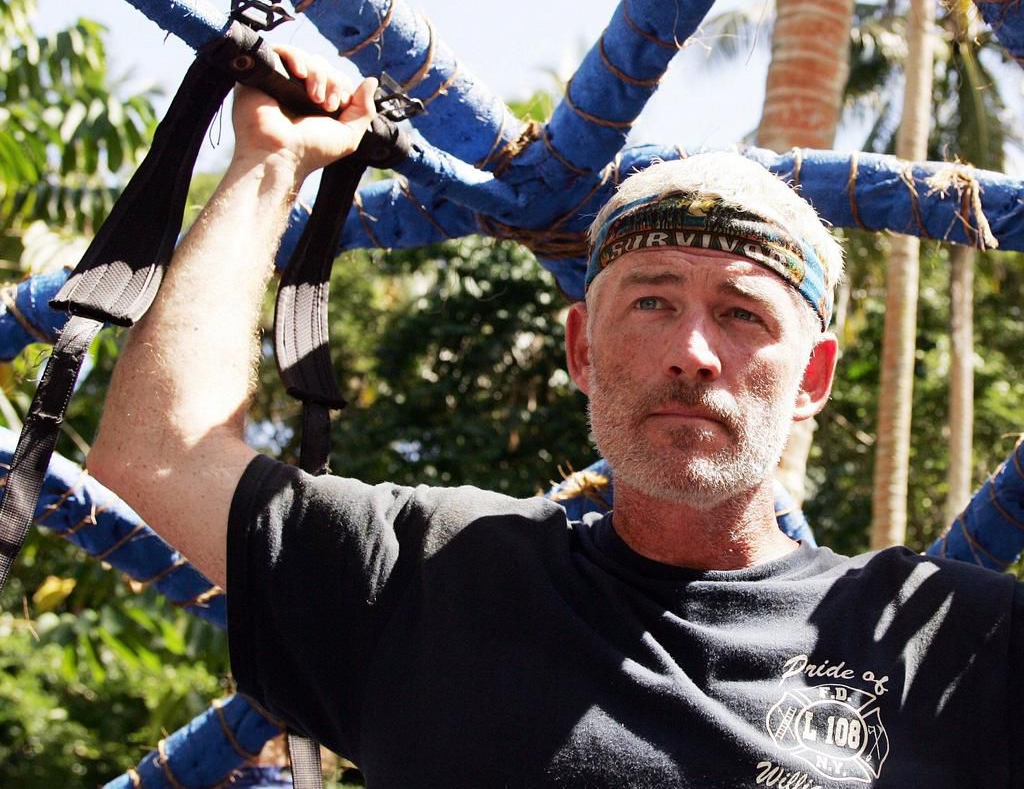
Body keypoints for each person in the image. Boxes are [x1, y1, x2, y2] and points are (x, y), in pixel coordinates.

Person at [87, 50, 1022, 788]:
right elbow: (157, 450)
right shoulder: (432, 578)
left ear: (813, 377)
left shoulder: (950, 638)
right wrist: (270, 163)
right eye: (651, 302)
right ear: (581, 349)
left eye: (742, 313)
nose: (693, 352)